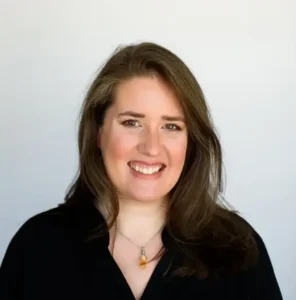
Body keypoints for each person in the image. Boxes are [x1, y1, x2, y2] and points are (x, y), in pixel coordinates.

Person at [0, 42, 282, 300]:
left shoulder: (238, 250)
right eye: (132, 123)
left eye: (171, 126)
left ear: (190, 142)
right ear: (99, 132)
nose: (151, 147)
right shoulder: (37, 247)